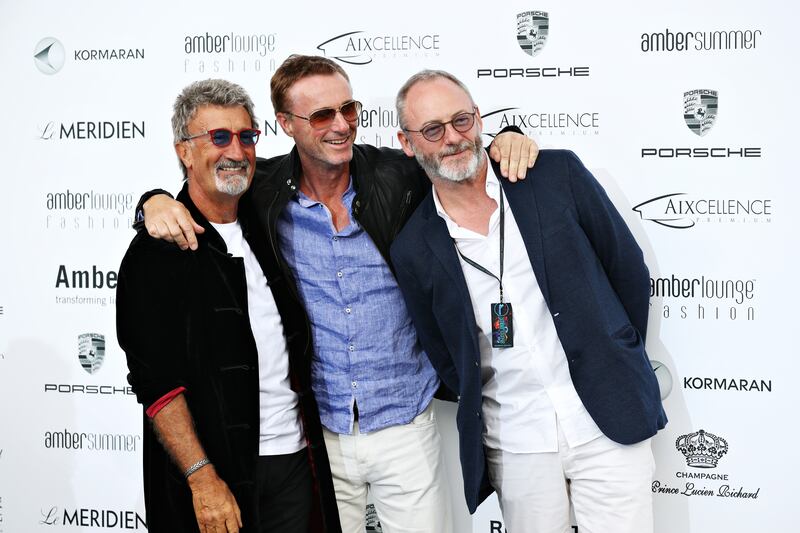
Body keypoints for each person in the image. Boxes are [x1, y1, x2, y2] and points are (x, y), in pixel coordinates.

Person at [137, 55, 537, 533]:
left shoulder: (398, 173)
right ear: (285, 124)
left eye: (349, 109)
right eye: (322, 115)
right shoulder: (261, 188)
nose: (341, 126)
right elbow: (209, 182)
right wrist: (151, 201)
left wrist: (507, 136)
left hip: (405, 423)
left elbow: (453, 151)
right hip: (320, 437)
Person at [389, 70, 667, 533]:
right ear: (407, 141)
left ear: (479, 118)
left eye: (461, 120)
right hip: (515, 443)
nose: (453, 138)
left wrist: (615, 349)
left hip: (606, 418)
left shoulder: (554, 175)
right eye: (433, 129)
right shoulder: (413, 247)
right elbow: (445, 355)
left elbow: (627, 272)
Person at [116, 79, 340, 533]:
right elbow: (158, 387)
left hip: (295, 465)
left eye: (246, 136)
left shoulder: (268, 218)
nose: (235, 150)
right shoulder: (156, 253)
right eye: (218, 137)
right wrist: (202, 480)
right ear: (185, 151)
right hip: (217, 476)